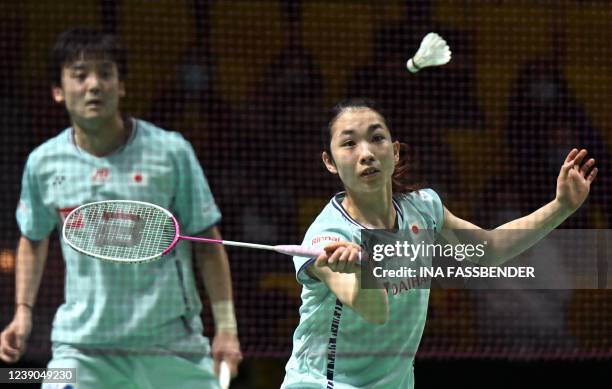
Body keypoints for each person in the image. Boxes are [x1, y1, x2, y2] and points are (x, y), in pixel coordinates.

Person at [282, 98, 597, 388]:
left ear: (394, 152)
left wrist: (561, 207)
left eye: (377, 138)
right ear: (330, 162)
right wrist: (362, 268)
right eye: (349, 143)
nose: (366, 153)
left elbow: (489, 250)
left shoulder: (424, 208)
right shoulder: (329, 237)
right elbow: (375, 311)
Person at [0, 28, 242, 388]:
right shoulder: (43, 163)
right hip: (82, 348)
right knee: (24, 379)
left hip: (171, 346)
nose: (94, 85)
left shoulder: (170, 152)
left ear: (122, 85)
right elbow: (33, 239)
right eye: (80, 76)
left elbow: (208, 242)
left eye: (106, 73)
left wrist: (226, 329)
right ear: (57, 90)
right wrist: (23, 313)